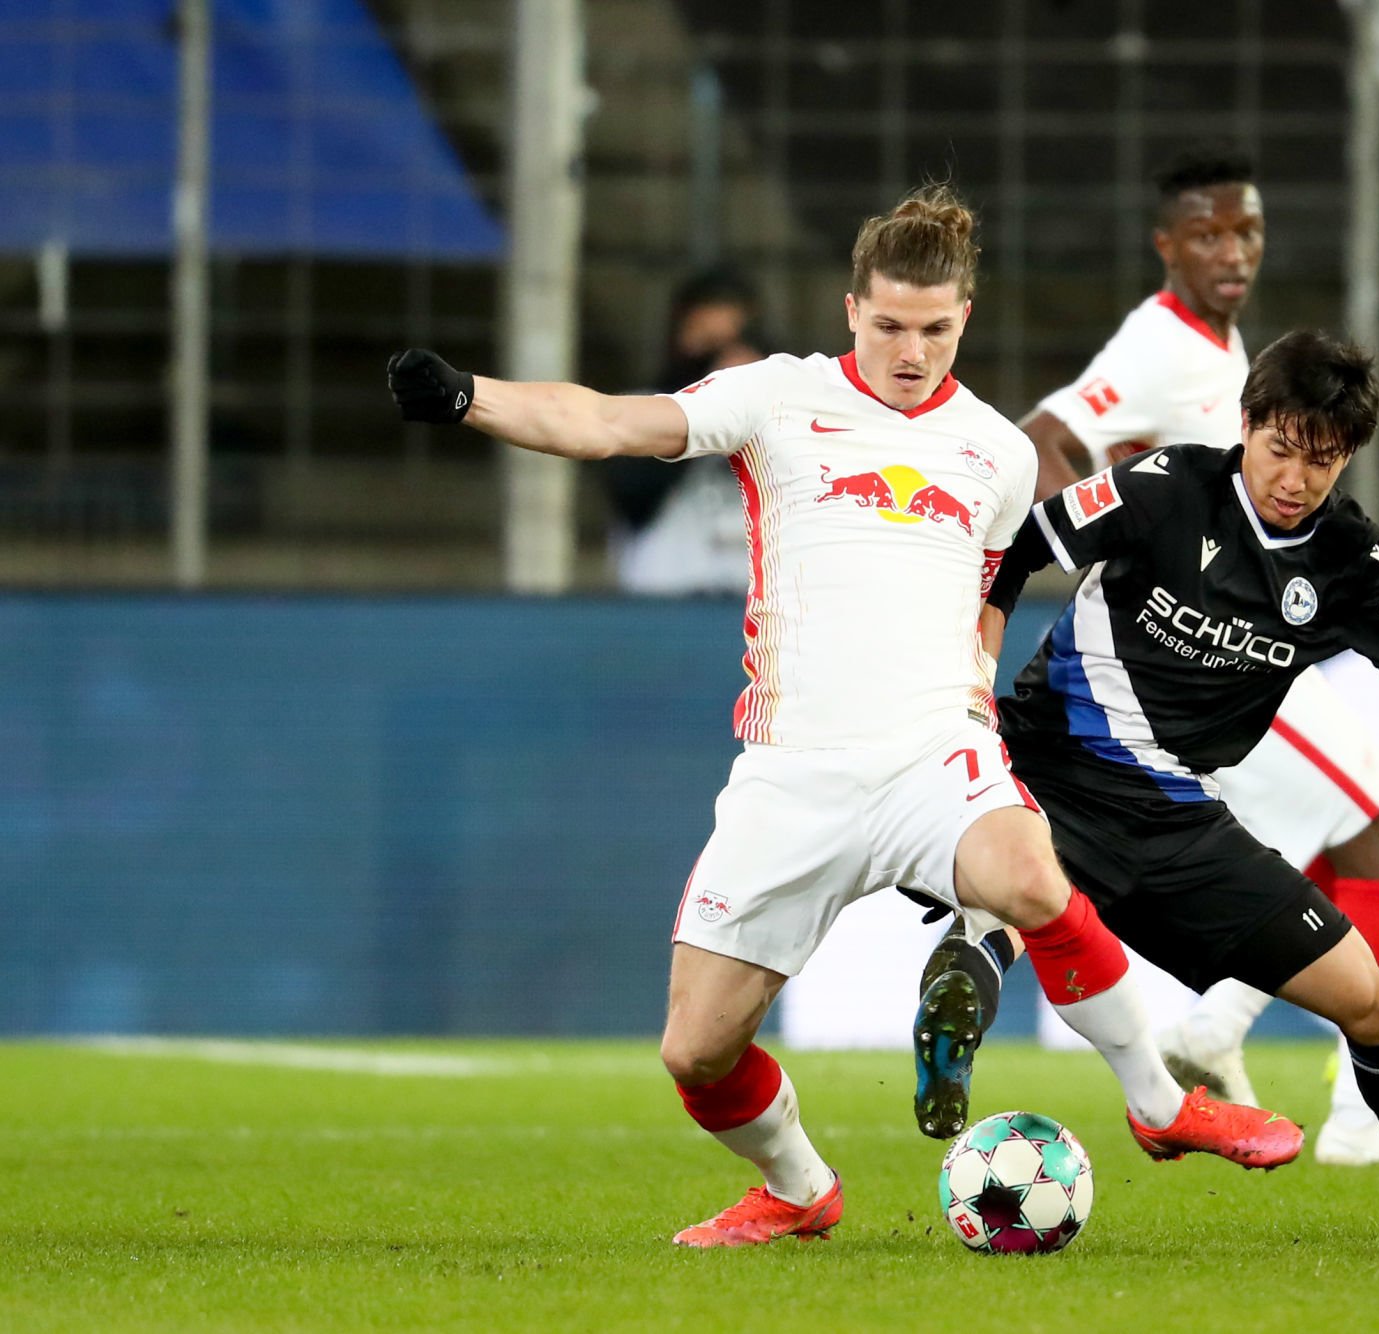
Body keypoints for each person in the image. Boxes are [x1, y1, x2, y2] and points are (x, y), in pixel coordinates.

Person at [386, 185, 1305, 1249]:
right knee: (696, 1052)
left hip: (932, 756)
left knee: (1032, 878)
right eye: (890, 326)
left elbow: (989, 589)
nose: (911, 352)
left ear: (965, 318)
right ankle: (797, 1186)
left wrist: (975, 682)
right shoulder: (775, 398)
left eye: (936, 329)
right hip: (794, 770)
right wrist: (470, 398)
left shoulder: (998, 452)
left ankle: (1159, 1102)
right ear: (851, 310)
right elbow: (606, 421)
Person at [908, 147, 1379, 1169]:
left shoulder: (1225, 349)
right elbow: (1049, 436)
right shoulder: (1163, 343)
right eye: (1207, 234)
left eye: (1245, 231)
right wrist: (1099, 542)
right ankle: (1352, 1114)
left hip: (1225, 639)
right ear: (1166, 245)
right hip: (1194, 649)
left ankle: (1013, 958)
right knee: (1376, 823)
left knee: (1276, 833)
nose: (1231, 251)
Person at [983, 329, 1379, 1237]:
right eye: (1280, 449)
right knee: (1005, 888)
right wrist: (972, 678)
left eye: (1322, 460)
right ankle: (976, 983)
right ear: (1247, 424)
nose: (1295, 479)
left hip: (1179, 820)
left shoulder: (1346, 560)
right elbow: (1017, 545)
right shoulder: (1167, 486)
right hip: (1045, 767)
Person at [602, 266, 768, 595]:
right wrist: (705, 409)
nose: (721, 365)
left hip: (754, 603)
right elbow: (633, 496)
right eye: (708, 347)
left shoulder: (778, 412)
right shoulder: (640, 406)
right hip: (664, 598)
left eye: (732, 346)